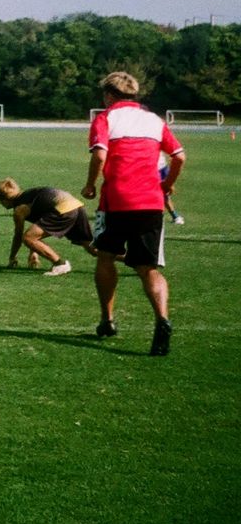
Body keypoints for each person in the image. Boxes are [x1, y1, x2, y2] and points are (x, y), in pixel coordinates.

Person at [82, 71, 185, 356]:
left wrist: (90, 184)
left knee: (104, 257)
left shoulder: (105, 118)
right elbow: (179, 156)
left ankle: (107, 320)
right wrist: (168, 184)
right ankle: (162, 318)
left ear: (108, 95)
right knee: (148, 268)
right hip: (151, 203)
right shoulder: (154, 120)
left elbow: (100, 155)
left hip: (116, 202)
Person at [0, 178, 95, 275]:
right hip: (74, 204)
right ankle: (108, 257)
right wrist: (34, 252)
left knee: (28, 237)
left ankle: (60, 264)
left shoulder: (19, 209)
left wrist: (12, 257)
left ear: (5, 199)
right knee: (90, 245)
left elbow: (19, 236)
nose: (0, 203)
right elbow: (37, 226)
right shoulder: (28, 194)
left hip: (63, 209)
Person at [159, 152, 185, 225]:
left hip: (158, 166)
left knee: (163, 192)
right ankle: (175, 216)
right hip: (158, 165)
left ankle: (175, 216)